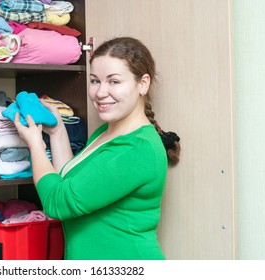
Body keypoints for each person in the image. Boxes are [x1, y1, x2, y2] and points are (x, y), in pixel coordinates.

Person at [13, 37, 181, 260]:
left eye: (114, 82)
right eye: (95, 81)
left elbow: (59, 203)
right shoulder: (106, 133)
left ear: (143, 83)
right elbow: (68, 181)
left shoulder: (137, 148)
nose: (100, 92)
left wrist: (35, 144)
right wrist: (57, 131)